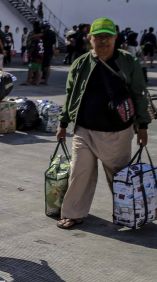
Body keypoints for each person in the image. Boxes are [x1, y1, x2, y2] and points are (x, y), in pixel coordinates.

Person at [56, 18, 151, 230]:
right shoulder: (80, 63)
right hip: (84, 130)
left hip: (117, 133)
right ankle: (73, 213)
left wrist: (142, 126)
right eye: (98, 37)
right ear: (90, 39)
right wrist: (63, 124)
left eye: (107, 37)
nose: (103, 41)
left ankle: (127, 211)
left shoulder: (128, 62)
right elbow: (71, 94)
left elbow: (139, 94)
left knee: (121, 178)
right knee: (79, 173)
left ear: (115, 38)